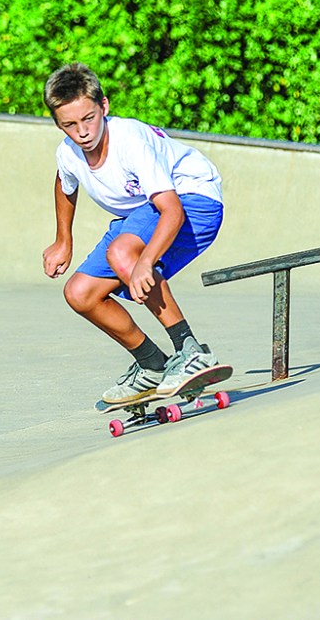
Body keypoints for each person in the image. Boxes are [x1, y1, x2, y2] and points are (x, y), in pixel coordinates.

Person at [40, 62, 225, 403]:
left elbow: (172, 209)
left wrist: (145, 261)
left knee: (124, 253)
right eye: (69, 124)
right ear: (57, 123)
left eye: (89, 119)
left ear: (104, 106)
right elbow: (65, 185)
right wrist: (63, 240)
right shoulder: (68, 153)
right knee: (80, 292)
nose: (82, 132)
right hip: (143, 213)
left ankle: (191, 350)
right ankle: (153, 364)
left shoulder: (130, 141)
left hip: (193, 198)